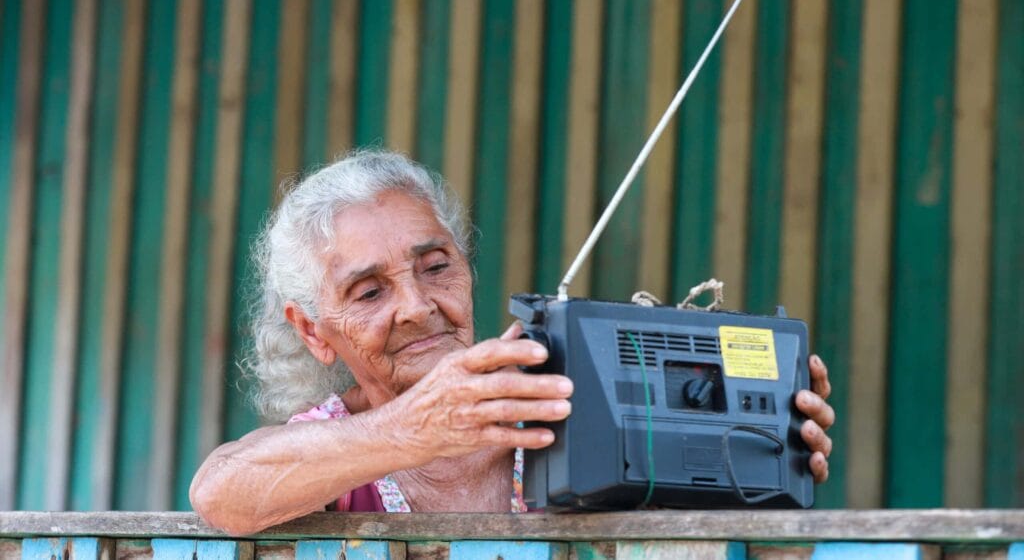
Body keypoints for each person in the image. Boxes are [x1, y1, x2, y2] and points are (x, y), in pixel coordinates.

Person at [190, 150, 835, 535]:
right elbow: (219, 492)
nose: (418, 306)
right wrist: (415, 428)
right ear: (312, 330)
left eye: (436, 266)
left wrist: (766, 441)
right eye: (369, 292)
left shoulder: (571, 403)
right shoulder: (326, 447)